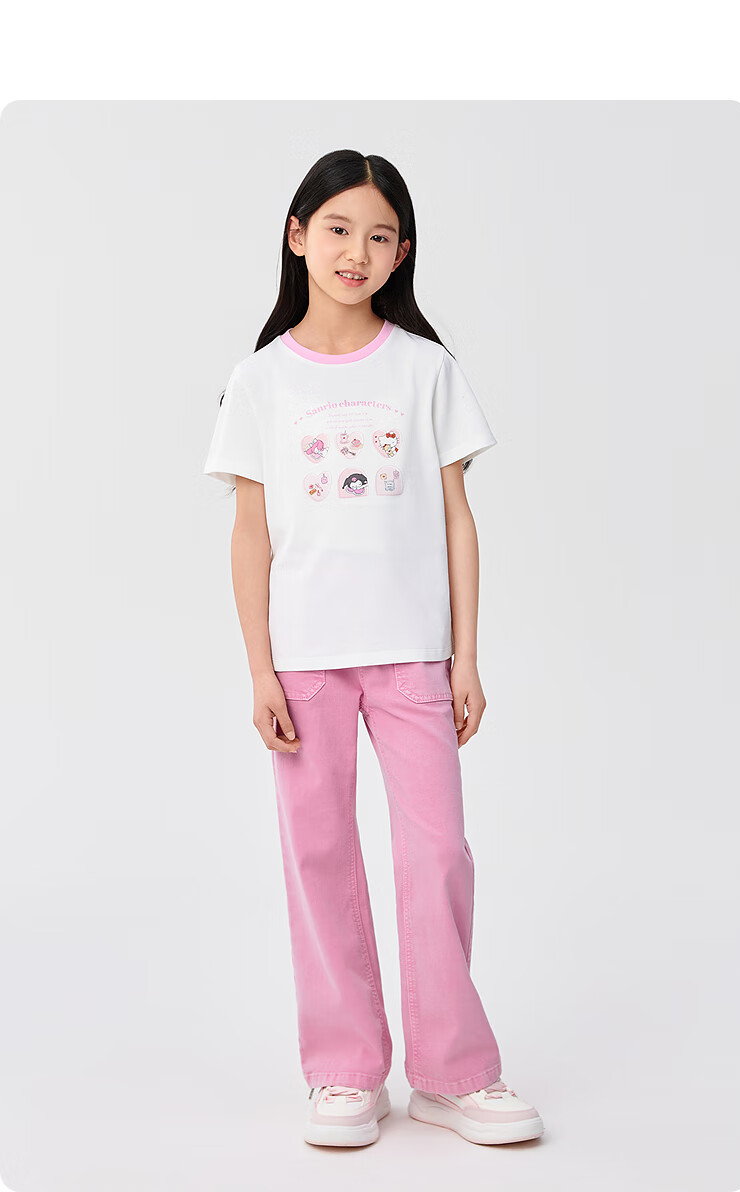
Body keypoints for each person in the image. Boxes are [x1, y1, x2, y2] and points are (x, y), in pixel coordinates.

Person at [203, 148, 544, 1149]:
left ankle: (452, 1071)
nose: (357, 251)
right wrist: (259, 668)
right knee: (319, 856)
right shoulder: (259, 380)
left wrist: (465, 656)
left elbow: (457, 519)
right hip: (305, 662)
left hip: (413, 656)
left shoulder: (425, 368)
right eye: (339, 228)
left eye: (381, 235)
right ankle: (345, 1070)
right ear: (297, 235)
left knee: (437, 854)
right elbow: (250, 534)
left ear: (402, 254)